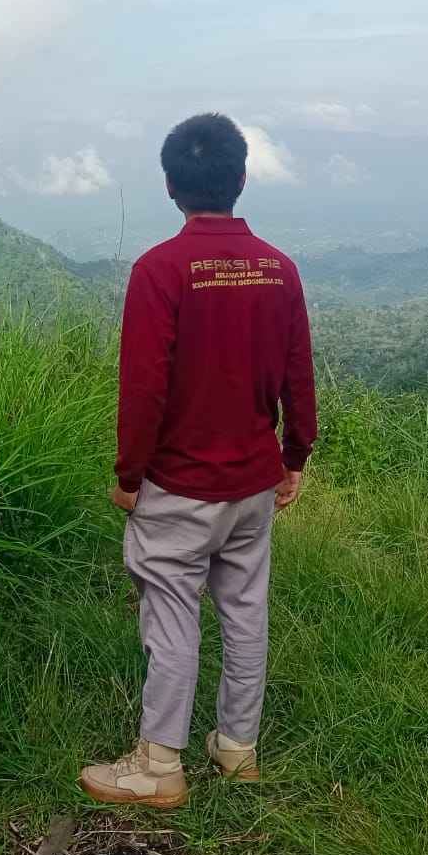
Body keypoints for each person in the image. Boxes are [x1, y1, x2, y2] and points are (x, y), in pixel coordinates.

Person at [80, 112, 317, 807]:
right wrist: (293, 455)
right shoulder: (278, 268)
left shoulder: (160, 269)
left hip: (178, 485)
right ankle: (236, 748)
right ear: (240, 179)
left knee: (172, 615)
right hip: (250, 482)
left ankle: (158, 765)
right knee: (245, 613)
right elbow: (297, 375)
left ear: (168, 185)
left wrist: (129, 476)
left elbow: (144, 386)